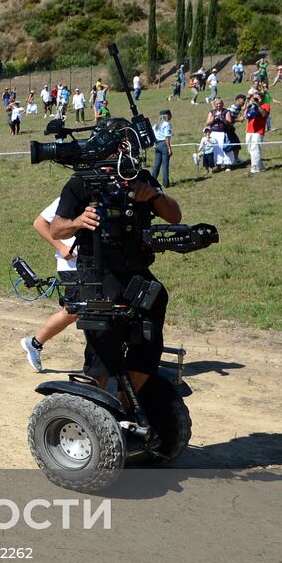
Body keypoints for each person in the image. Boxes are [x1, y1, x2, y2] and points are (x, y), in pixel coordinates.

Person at [49, 153, 182, 394]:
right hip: (97, 272)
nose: (122, 153)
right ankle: (93, 407)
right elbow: (56, 229)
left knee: (153, 314)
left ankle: (127, 402)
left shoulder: (141, 178)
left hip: (137, 271)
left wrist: (155, 195)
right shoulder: (82, 182)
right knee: (104, 337)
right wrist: (79, 221)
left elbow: (175, 216)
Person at [19, 196, 81, 372]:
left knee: (96, 312)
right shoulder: (69, 197)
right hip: (72, 266)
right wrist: (61, 247)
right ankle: (34, 343)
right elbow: (40, 223)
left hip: (100, 265)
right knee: (74, 311)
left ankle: (34, 343)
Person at [243, 91, 269, 174]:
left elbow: (264, 114)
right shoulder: (250, 106)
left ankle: (255, 168)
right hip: (249, 130)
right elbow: (244, 116)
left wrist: (258, 104)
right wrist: (249, 105)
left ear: (261, 98)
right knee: (250, 149)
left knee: (255, 149)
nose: (254, 99)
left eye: (257, 98)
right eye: (253, 98)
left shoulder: (266, 105)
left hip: (258, 131)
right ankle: (260, 165)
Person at [151, 110, 173, 188]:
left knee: (156, 165)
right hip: (164, 144)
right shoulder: (167, 124)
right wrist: (169, 148)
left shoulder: (155, 125)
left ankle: (152, 182)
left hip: (157, 145)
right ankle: (166, 183)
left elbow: (152, 136)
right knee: (165, 165)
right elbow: (167, 137)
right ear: (167, 116)